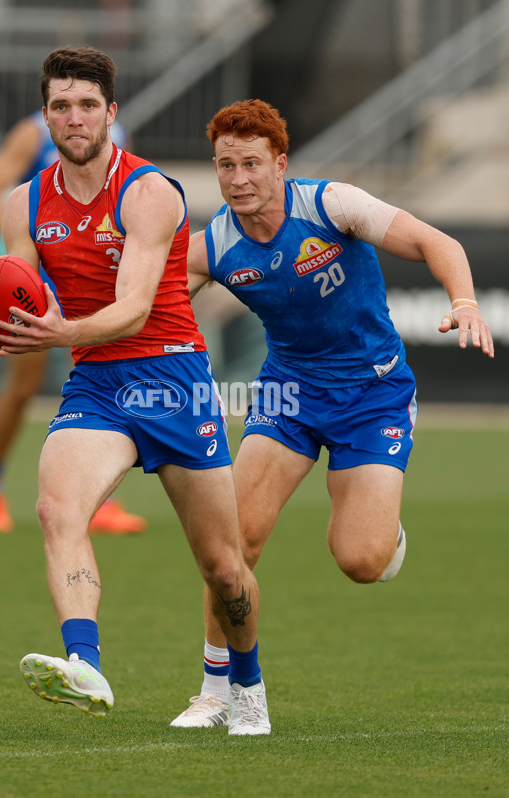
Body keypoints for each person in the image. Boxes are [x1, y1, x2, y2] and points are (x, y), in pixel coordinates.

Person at [170, 98, 494, 728]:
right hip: (287, 397)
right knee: (233, 545)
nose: (238, 178)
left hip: (374, 395)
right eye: (226, 166)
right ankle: (216, 690)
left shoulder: (331, 206)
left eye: (252, 164)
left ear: (280, 164)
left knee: (361, 560)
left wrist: (465, 303)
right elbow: (144, 307)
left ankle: (384, 530)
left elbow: (436, 241)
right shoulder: (212, 247)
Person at [0, 47, 270, 735]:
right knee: (56, 509)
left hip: (172, 378)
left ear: (110, 112)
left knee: (224, 568)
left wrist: (58, 333)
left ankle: (247, 686)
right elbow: (23, 292)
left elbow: (134, 309)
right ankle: (85, 663)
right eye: (61, 106)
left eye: (88, 105)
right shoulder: (25, 203)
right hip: (96, 383)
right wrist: (6, 314)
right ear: (45, 116)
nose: (74, 118)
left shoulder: (148, 192)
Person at [0, 108, 146, 536]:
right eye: (64, 98)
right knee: (23, 386)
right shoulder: (33, 133)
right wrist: (21, 249)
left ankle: (101, 500)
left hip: (89, 278)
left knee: (101, 383)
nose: (76, 110)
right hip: (38, 280)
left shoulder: (117, 133)